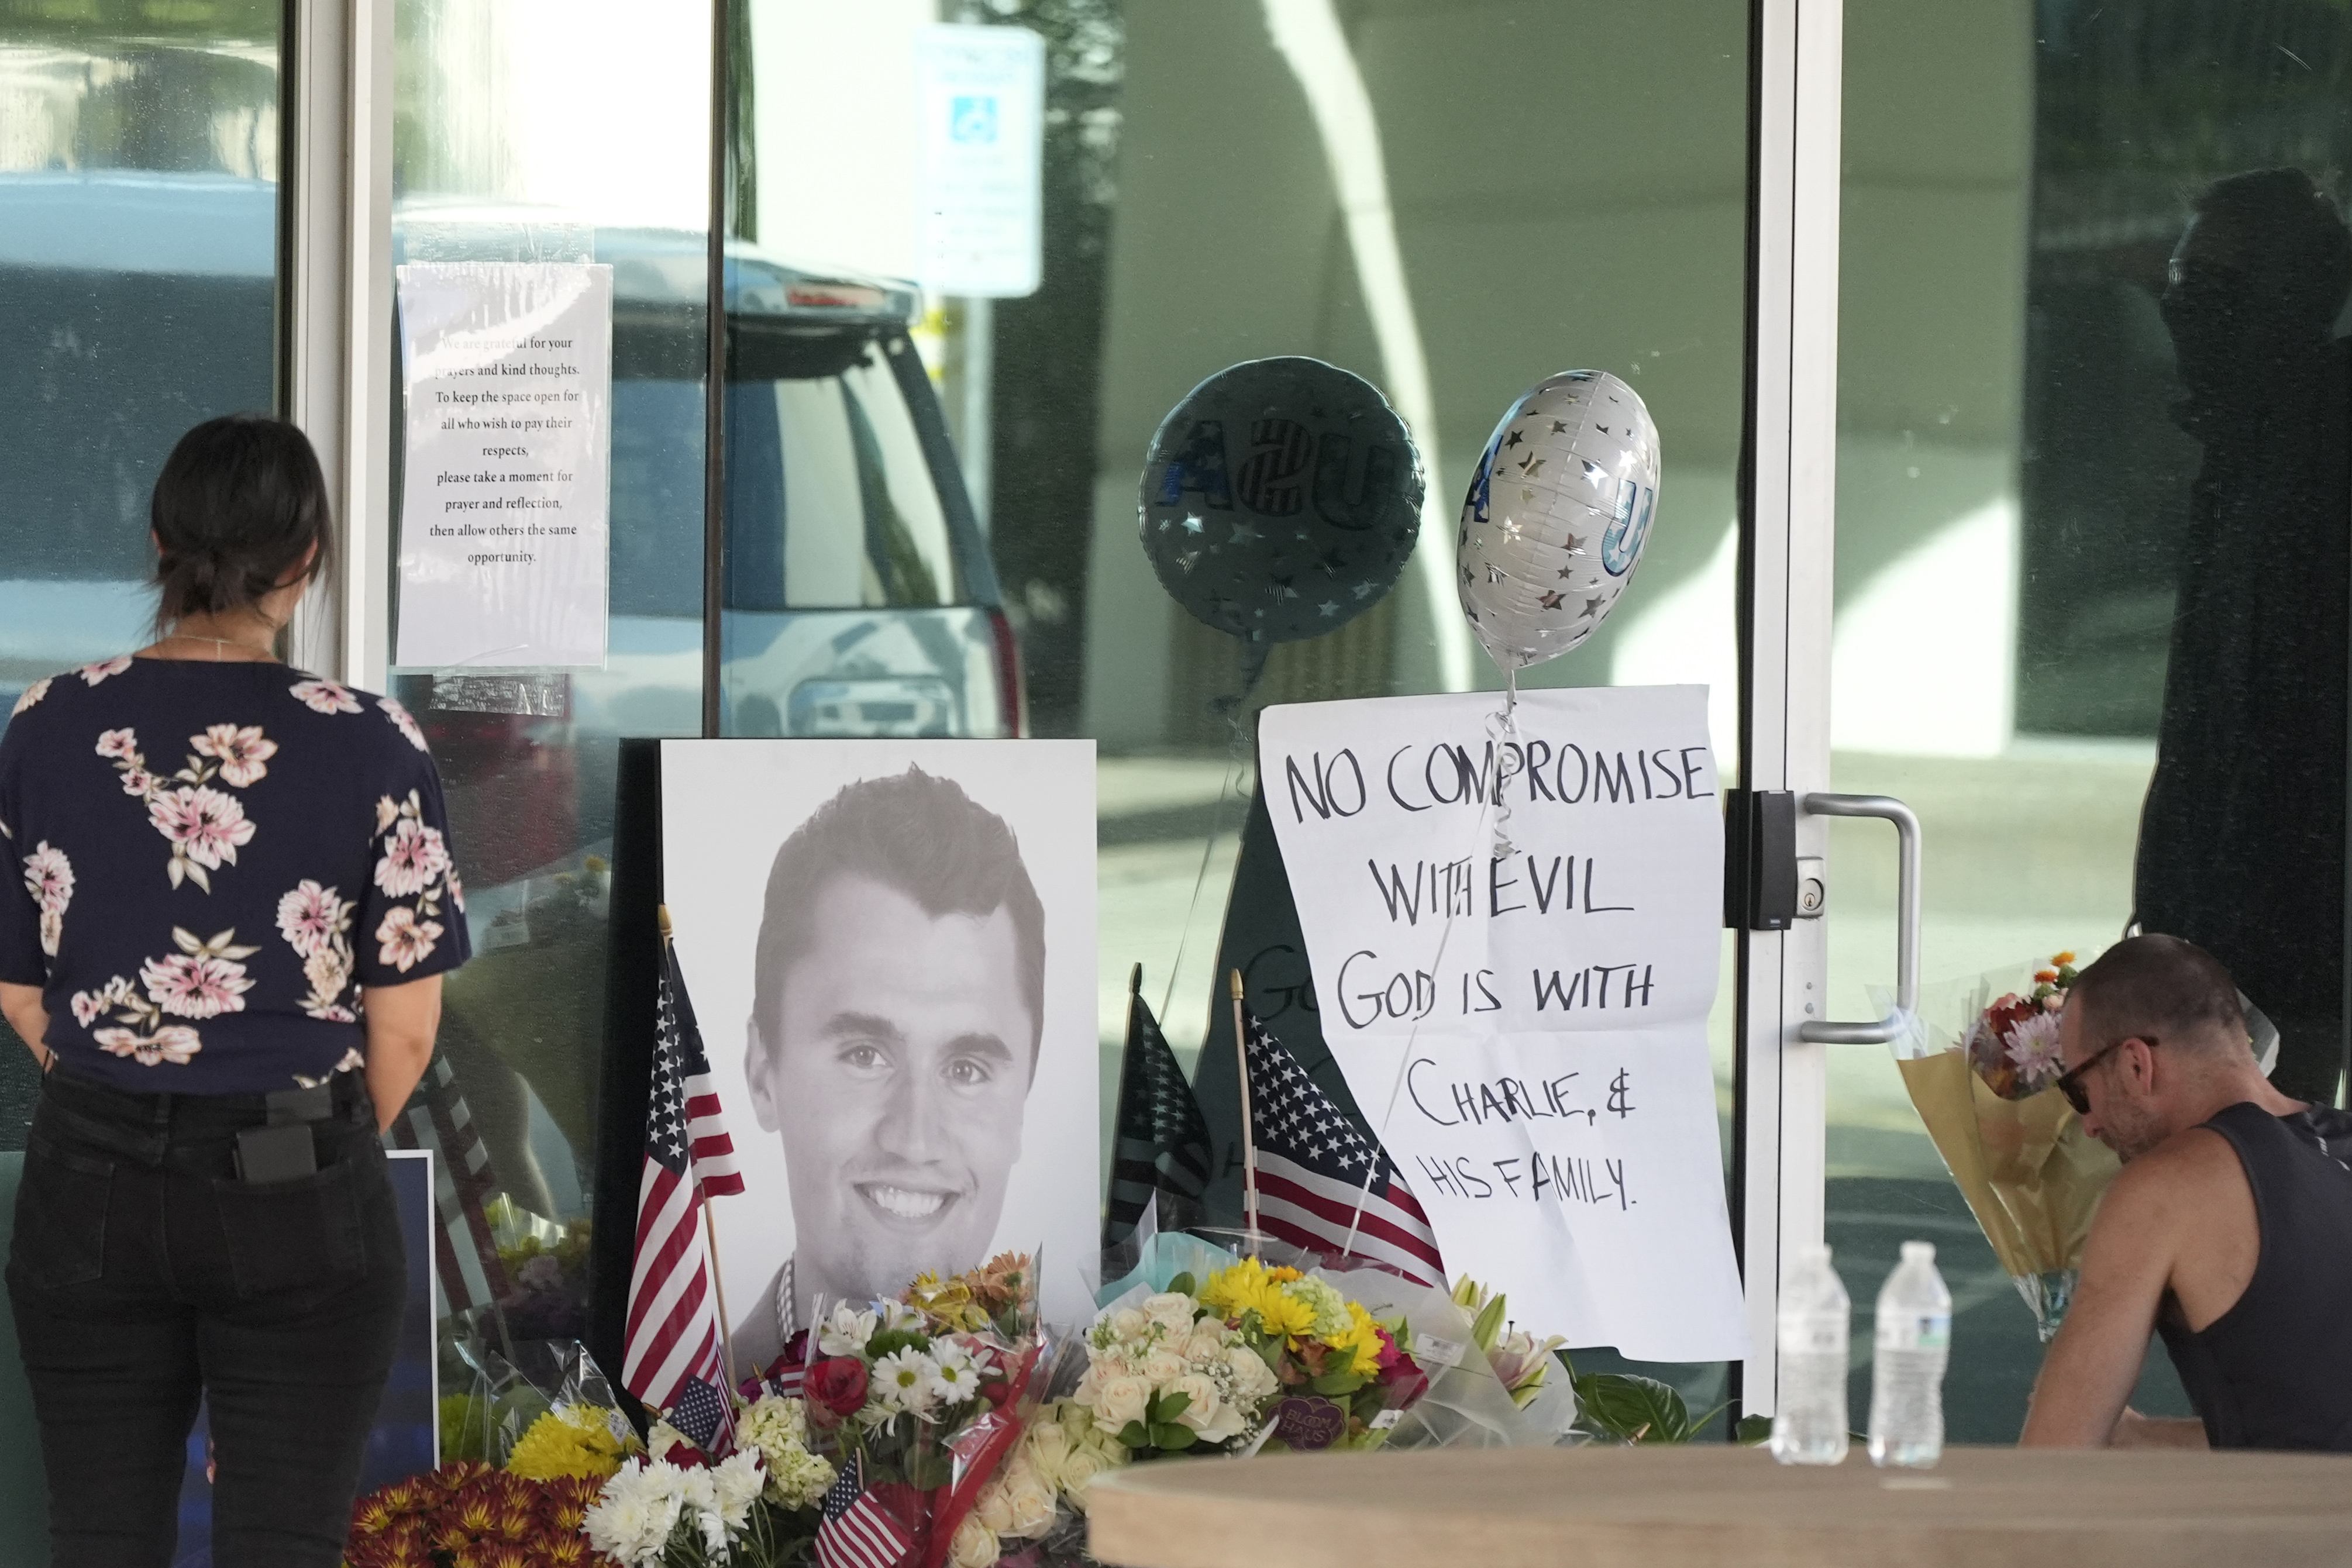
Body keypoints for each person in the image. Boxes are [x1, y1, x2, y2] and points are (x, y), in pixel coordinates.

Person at [0, 415, 471, 1564]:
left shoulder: (45, 724)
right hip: (298, 1171)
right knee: (284, 1539)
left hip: (89, 1170)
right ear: (306, 560)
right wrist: (299, 1151)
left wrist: (131, 1096)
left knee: (100, 1532)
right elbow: (402, 1028)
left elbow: (20, 988)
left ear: (158, 541)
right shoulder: (374, 740)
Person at [2134, 168, 2352, 1104]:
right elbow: (2205, 713)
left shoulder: (2316, 440)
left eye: (2211, 285)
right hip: (2238, 892)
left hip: (2303, 893)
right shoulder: (2244, 443)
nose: (2182, 308)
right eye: (2181, 285)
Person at [731, 766, 1043, 1373]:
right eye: (865, 1055)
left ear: (1024, 1097)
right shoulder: (661, 1427)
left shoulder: (1094, 1422)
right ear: (764, 1071)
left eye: (968, 1068)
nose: (915, 1137)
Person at [2019, 935, 2352, 1450]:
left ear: (2135, 1064)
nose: (2086, 1124)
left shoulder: (2165, 1187)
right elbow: (2310, 1424)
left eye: (2077, 1091)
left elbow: (2052, 1458)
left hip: (2301, 1532)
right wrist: (2142, 1437)